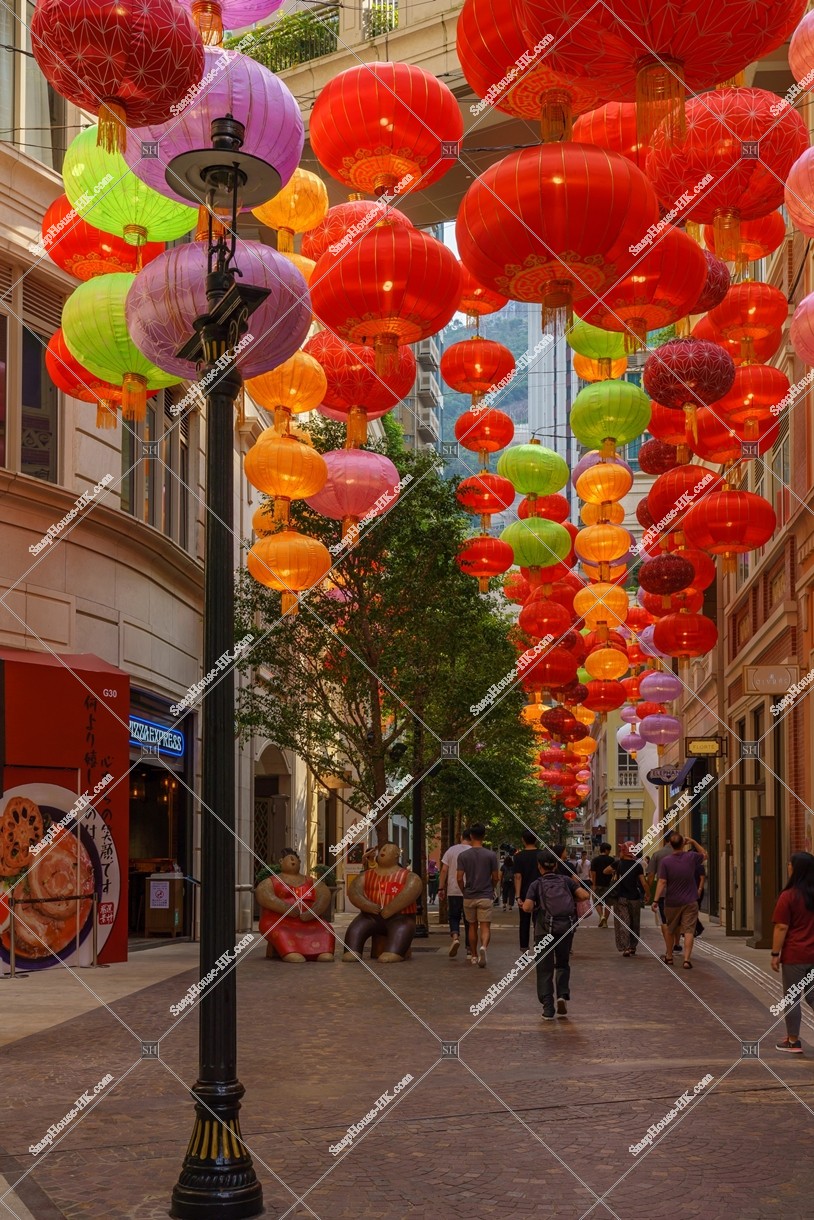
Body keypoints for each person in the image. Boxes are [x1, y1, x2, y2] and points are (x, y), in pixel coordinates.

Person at [521, 850, 589, 1020]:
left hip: (543, 931)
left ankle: (548, 1008)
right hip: (565, 928)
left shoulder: (536, 884)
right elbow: (584, 895)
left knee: (544, 968)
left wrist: (527, 904)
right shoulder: (566, 880)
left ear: (539, 866)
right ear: (556, 865)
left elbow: (528, 907)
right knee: (563, 963)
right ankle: (562, 996)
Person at [771, 851, 814, 1052]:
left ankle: (793, 1040)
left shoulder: (788, 896)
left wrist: (774, 953)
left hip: (795, 955)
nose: (788, 867)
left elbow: (781, 927)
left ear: (796, 869)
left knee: (792, 997)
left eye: (790, 864)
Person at [652, 832, 707, 968]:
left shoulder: (666, 861)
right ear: (683, 843)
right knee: (688, 931)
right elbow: (704, 854)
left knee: (670, 929)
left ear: (670, 844)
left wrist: (655, 900)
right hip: (690, 901)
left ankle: (669, 956)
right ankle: (687, 959)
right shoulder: (691, 857)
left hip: (672, 901)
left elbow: (662, 882)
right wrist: (693, 841)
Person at [456, 823, 499, 968]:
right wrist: (491, 888)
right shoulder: (491, 855)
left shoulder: (463, 856)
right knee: (485, 926)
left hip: (469, 895)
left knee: (472, 926)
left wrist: (464, 890)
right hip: (485, 895)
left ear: (471, 836)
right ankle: (484, 948)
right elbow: (495, 877)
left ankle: (473, 955)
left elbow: (459, 877)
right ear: (484, 836)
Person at [439, 829, 472, 959]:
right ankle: (469, 949)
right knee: (469, 919)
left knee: (453, 916)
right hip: (470, 890)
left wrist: (441, 888)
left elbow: (443, 870)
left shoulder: (451, 850)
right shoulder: (474, 851)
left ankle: (455, 937)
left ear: (461, 837)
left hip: (453, 889)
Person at [612, 844, 648, 957]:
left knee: (624, 922)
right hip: (635, 898)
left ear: (624, 851)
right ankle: (633, 946)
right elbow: (643, 882)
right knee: (634, 923)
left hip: (621, 898)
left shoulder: (618, 864)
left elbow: (605, 871)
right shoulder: (637, 866)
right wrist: (648, 894)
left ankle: (626, 947)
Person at [513, 830, 541, 950]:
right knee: (539, 920)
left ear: (523, 840)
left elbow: (518, 876)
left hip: (525, 893)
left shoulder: (518, 857)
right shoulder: (542, 854)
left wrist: (518, 896)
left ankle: (524, 947)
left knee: (524, 921)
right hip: (541, 892)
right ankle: (538, 943)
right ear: (536, 839)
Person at [590, 843, 615, 927]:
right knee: (608, 904)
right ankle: (605, 922)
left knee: (597, 902)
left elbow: (593, 873)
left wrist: (594, 884)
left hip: (598, 884)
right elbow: (614, 872)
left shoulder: (595, 860)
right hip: (609, 884)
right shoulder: (612, 860)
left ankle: (601, 916)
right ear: (607, 850)